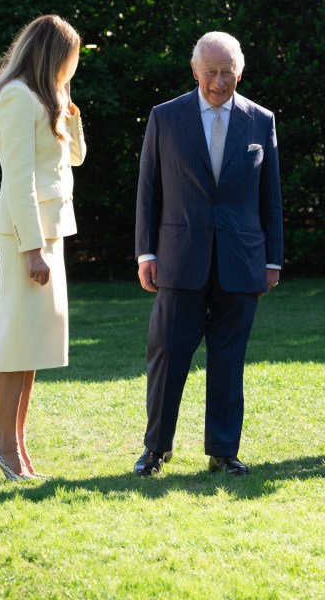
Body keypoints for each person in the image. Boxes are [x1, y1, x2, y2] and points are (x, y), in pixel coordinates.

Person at [133, 31, 283, 477]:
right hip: (180, 258)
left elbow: (270, 196)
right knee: (168, 357)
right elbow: (148, 190)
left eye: (227, 73)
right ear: (195, 70)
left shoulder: (261, 120)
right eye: (211, 72)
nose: (219, 82)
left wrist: (272, 260)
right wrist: (145, 252)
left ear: (241, 72)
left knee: (228, 359)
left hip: (242, 260)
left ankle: (223, 451)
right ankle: (155, 449)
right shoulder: (165, 117)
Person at [0, 14, 87, 481]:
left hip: (48, 233)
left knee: (32, 345)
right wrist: (31, 249)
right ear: (52, 55)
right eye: (69, 60)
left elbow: (74, 159)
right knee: (16, 344)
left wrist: (72, 116)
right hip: (27, 235)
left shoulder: (45, 99)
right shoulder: (18, 98)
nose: (72, 70)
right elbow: (19, 180)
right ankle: (3, 446)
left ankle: (16, 448)